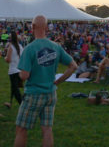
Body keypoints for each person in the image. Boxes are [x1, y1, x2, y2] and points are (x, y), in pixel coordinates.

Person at [14, 15, 78, 147]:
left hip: (33, 94)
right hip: (50, 93)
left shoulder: (29, 48)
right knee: (47, 129)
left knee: (21, 129)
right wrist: (58, 81)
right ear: (46, 28)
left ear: (32, 27)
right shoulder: (56, 46)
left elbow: (24, 75)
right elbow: (73, 66)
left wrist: (19, 74)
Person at [5, 31, 24, 107]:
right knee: (13, 88)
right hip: (19, 70)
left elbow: (8, 60)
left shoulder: (11, 47)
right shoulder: (20, 46)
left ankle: (22, 104)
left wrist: (5, 58)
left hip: (13, 71)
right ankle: (10, 102)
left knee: (15, 90)